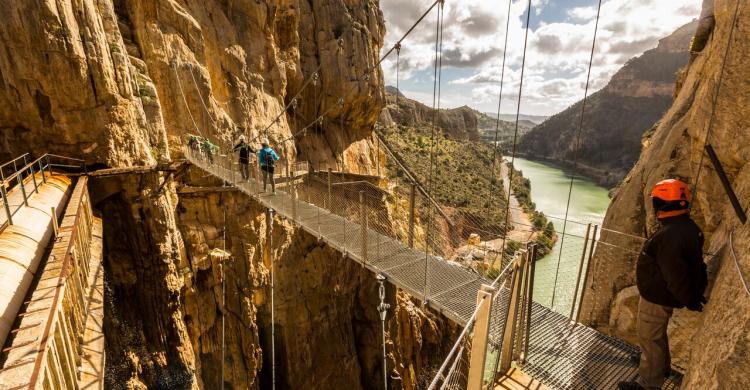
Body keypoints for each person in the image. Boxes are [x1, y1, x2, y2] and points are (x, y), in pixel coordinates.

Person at [618, 179, 707, 390]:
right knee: (655, 335)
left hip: (657, 297)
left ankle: (649, 384)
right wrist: (691, 296)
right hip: (661, 294)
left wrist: (690, 299)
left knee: (650, 338)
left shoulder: (671, 234)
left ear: (663, 205)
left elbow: (675, 275)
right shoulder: (686, 227)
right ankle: (659, 366)